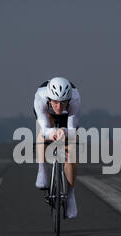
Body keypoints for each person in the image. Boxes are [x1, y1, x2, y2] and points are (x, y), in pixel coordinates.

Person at [33, 77, 80, 219]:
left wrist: (65, 132)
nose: (59, 107)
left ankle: (71, 197)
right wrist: (51, 132)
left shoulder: (75, 100)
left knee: (71, 148)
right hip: (47, 114)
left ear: (68, 100)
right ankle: (42, 171)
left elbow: (72, 129)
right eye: (55, 102)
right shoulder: (40, 98)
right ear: (49, 99)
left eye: (63, 103)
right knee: (42, 135)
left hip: (69, 117)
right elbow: (44, 127)